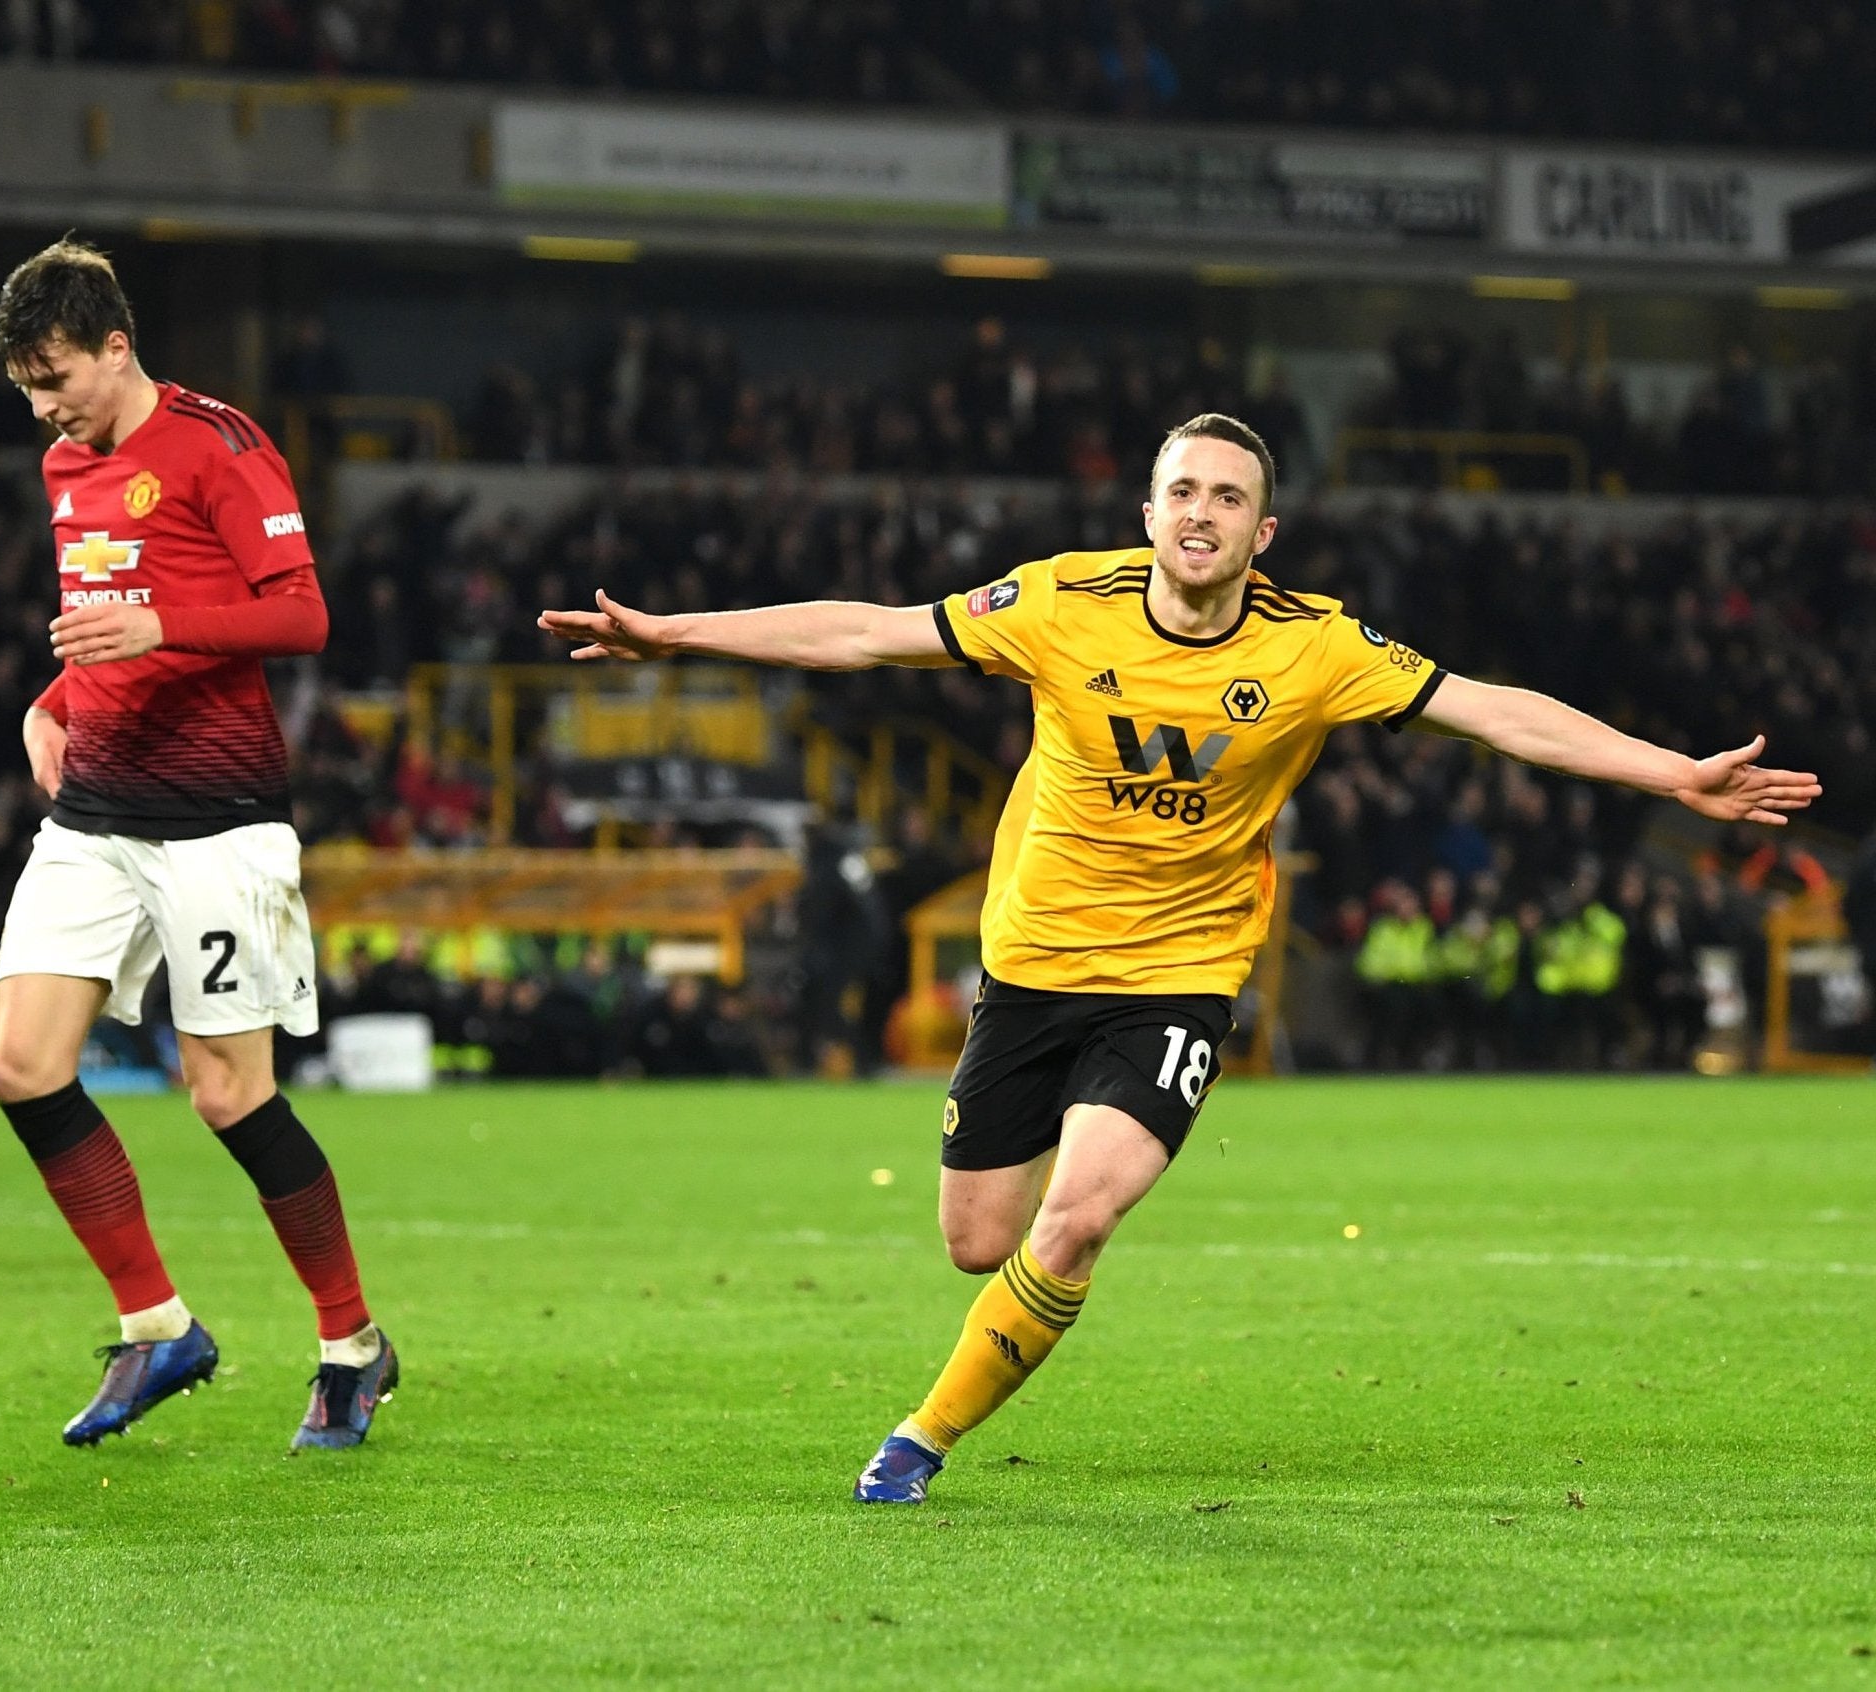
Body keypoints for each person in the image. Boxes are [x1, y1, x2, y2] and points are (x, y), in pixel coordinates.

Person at [538, 412, 1821, 1506]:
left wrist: (1672, 775)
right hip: (1032, 965)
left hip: (1181, 976)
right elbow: (865, 634)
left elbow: (1494, 711)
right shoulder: (1053, 604)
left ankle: (916, 1440)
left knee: (1079, 1212)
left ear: (1263, 535)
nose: (1201, 512)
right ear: (1147, 510)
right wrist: (680, 635)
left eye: (1230, 497)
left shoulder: (1314, 645)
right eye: (1184, 490)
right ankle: (995, 1296)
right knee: (977, 1242)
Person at [0, 239, 393, 1452]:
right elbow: (98, 625)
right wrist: (49, 706)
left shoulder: (220, 448)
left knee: (228, 1097)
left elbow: (304, 614)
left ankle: (351, 1346)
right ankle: (156, 1324)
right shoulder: (66, 462)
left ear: (117, 345)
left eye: (55, 375)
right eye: (25, 386)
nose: (44, 405)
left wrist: (159, 624)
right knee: (21, 1064)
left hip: (217, 821)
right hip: (94, 813)